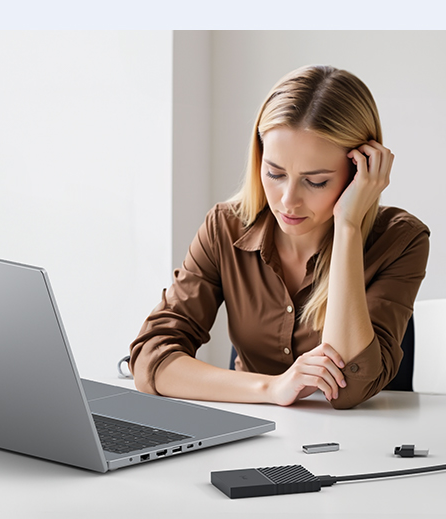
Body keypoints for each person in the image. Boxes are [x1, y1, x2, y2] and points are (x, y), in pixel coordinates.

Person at [129, 65, 429, 409]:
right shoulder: (224, 228)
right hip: (254, 437)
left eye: (315, 181)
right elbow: (149, 360)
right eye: (274, 173)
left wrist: (348, 226)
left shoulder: (401, 240)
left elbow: (350, 390)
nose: (288, 200)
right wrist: (272, 388)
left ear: (358, 171)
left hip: (361, 446)